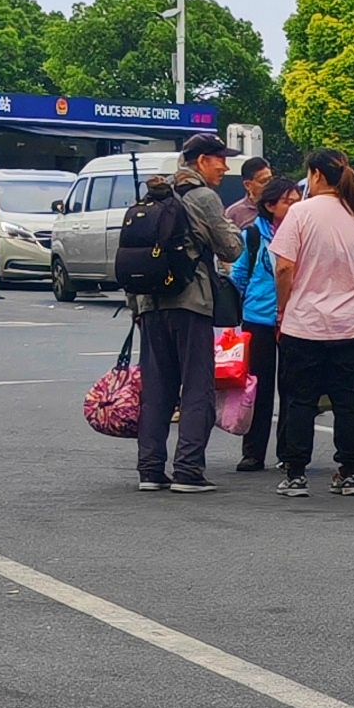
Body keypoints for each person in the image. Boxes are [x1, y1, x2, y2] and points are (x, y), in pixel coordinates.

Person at [128, 131, 242, 494]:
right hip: (190, 303)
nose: (225, 166)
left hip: (149, 305)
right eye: (219, 158)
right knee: (196, 387)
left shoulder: (154, 196)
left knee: (157, 389)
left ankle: (150, 470)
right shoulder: (204, 197)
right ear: (201, 162)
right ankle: (189, 470)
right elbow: (232, 248)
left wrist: (136, 307)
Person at [266, 149, 354, 498]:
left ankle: (296, 472)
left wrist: (283, 308)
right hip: (348, 325)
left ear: (315, 174)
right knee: (347, 399)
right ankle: (349, 471)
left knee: (300, 399)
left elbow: (284, 267)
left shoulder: (300, 213)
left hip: (305, 323)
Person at [229, 171, 298, 473]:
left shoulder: (302, 232)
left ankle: (289, 452)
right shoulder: (253, 234)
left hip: (295, 320)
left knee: (293, 387)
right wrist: (236, 313)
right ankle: (253, 453)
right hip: (258, 320)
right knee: (258, 387)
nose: (295, 206)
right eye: (288, 201)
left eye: (298, 200)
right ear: (270, 205)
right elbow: (239, 274)